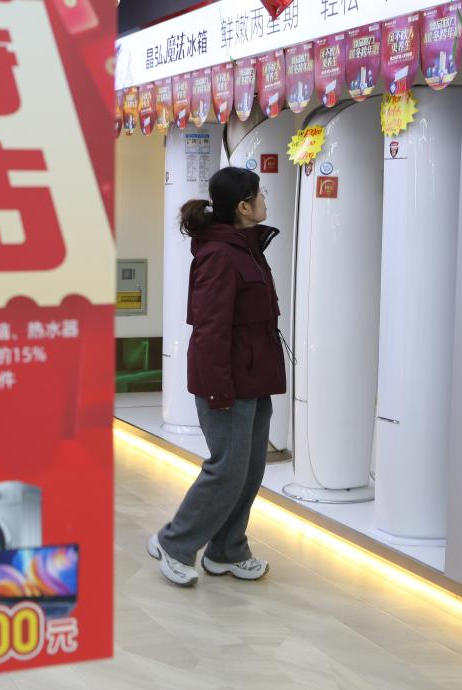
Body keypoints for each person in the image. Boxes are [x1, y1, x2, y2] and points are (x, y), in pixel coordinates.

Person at [147, 167, 287, 587]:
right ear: (243, 206)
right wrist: (218, 389)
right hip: (227, 383)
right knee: (226, 470)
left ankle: (227, 550)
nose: (264, 199)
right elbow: (210, 329)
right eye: (259, 194)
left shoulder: (248, 247)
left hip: (255, 378)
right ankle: (174, 543)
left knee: (249, 471)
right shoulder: (219, 255)